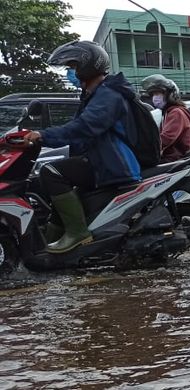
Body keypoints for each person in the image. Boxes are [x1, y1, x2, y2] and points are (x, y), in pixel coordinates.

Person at [22, 40, 141, 253]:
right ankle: (50, 243)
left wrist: (43, 135)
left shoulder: (108, 95)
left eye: (73, 67)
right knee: (64, 187)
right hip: (101, 159)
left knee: (51, 172)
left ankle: (78, 234)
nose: (71, 73)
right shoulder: (95, 94)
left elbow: (83, 128)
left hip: (112, 163)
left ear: (88, 66)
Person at [142, 74, 190, 163]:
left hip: (174, 159)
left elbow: (166, 138)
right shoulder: (167, 113)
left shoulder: (176, 113)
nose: (155, 98)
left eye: (158, 93)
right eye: (153, 94)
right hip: (170, 158)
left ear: (170, 95)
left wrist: (143, 147)